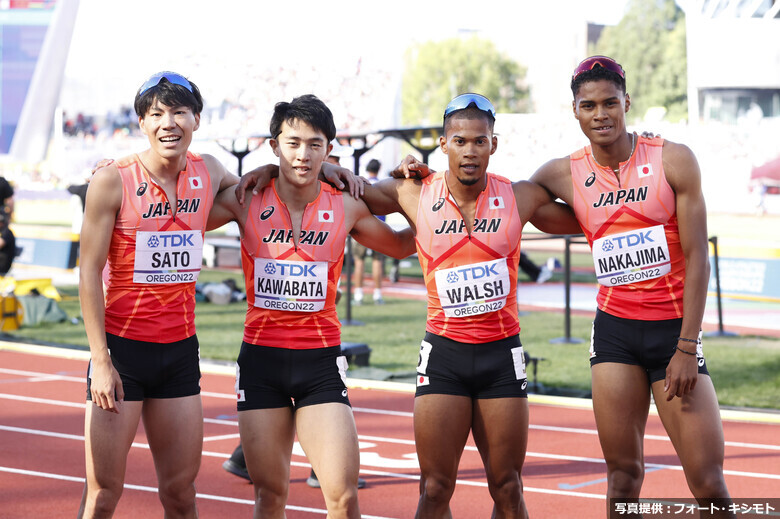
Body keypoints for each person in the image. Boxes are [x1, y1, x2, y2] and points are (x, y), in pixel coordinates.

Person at [237, 92, 581, 518]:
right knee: (435, 489)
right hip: (444, 357)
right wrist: (308, 165)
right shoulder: (413, 191)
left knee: (508, 487)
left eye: (479, 141)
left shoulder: (520, 196)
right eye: (459, 141)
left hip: (501, 355)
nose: (470, 150)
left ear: (494, 143)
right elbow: (351, 192)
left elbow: (592, 213)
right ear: (443, 144)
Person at [529, 56, 733, 518]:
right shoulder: (562, 173)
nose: (600, 114)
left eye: (609, 102)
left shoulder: (672, 159)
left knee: (709, 483)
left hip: (673, 334)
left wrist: (686, 346)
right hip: (615, 333)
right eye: (588, 105)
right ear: (575, 111)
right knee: (622, 477)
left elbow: (699, 256)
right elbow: (502, 197)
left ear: (627, 102)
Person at [208, 94, 415, 519]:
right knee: (270, 496)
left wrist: (425, 197)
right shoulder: (244, 198)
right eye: (293, 143)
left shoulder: (347, 203)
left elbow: (398, 246)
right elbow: (179, 205)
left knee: (342, 497)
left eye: (315, 144)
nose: (303, 155)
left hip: (320, 364)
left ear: (329, 149)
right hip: (261, 362)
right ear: (274, 146)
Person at [77, 71, 239, 518]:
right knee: (104, 494)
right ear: (142, 124)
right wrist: (102, 362)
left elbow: (256, 190)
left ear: (197, 119)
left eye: (179, 112)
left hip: (180, 354)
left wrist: (332, 170)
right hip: (122, 352)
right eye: (157, 114)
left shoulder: (209, 171)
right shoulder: (113, 180)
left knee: (181, 493)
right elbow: (88, 272)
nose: (169, 123)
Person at [351, 158, 387, 304]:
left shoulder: (362, 184)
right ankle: (377, 295)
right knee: (377, 262)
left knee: (359, 262)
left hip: (362, 229)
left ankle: (358, 295)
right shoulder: (383, 185)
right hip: (380, 230)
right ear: (379, 168)